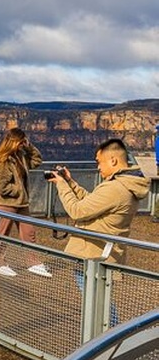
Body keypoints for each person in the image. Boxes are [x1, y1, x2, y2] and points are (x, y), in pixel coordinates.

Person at [47, 139, 149, 324]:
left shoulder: (115, 188)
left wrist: (62, 185)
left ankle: (111, 342)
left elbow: (77, 211)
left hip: (93, 255)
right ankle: (110, 339)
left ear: (113, 161)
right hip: (101, 253)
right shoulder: (124, 185)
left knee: (99, 306)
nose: (98, 168)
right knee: (100, 303)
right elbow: (92, 203)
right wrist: (70, 182)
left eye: (99, 162)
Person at [0, 127, 51, 278]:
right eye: (21, 141)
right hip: (8, 203)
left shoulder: (21, 156)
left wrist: (29, 146)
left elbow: (37, 160)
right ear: (14, 142)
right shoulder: (4, 160)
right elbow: (0, 185)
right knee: (3, 233)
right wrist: (18, 191)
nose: (22, 144)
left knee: (29, 232)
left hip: (22, 203)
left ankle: (33, 263)